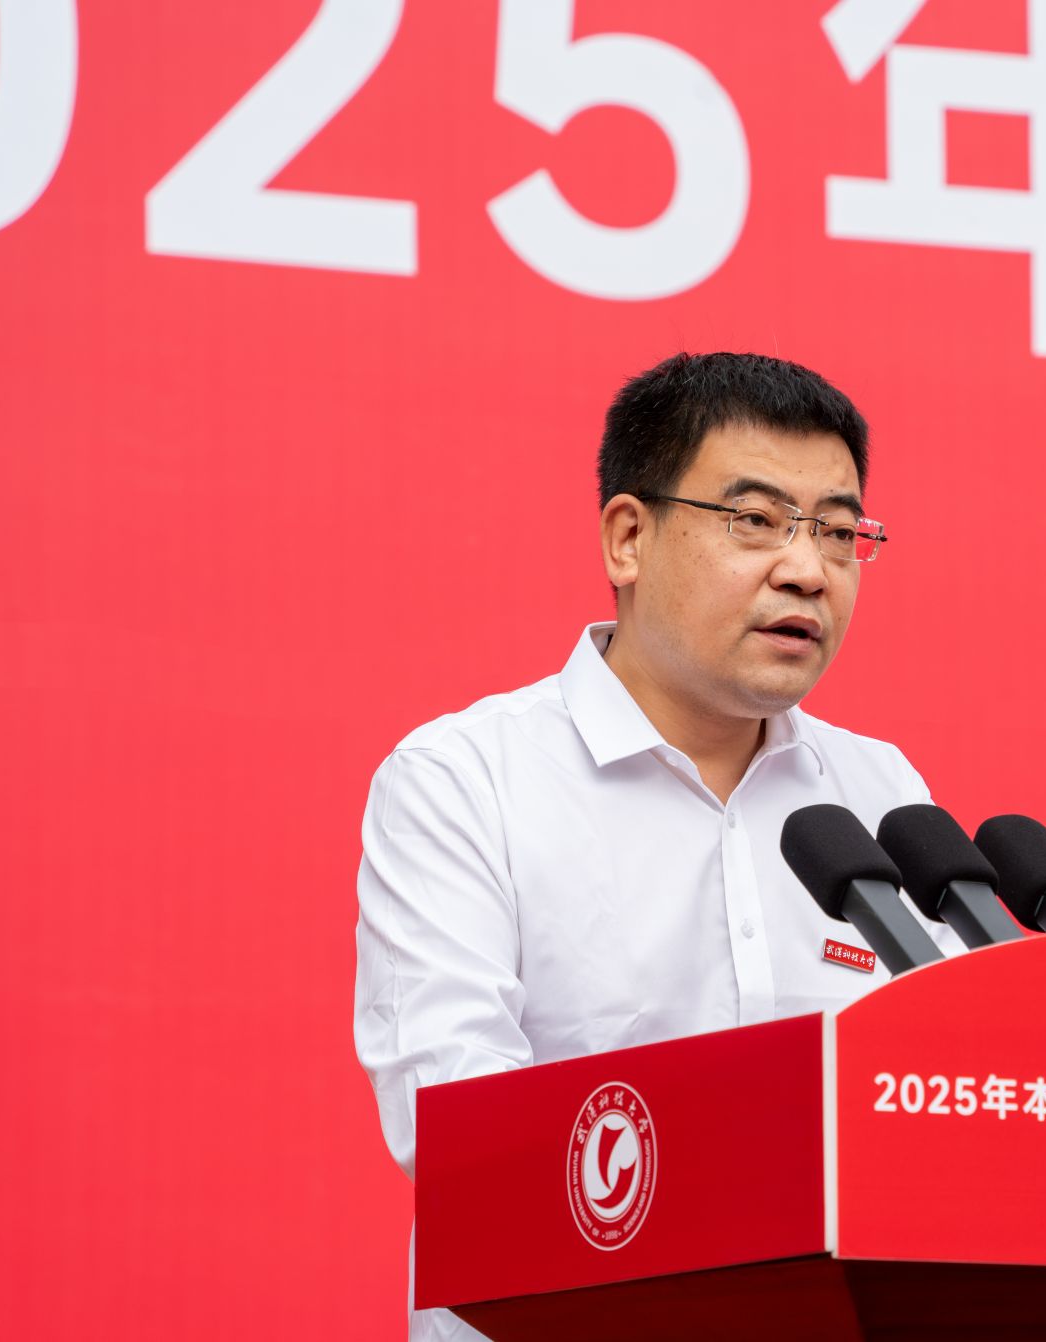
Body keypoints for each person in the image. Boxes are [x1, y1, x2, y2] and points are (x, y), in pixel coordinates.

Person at [352, 352, 960, 1341]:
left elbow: (939, 1093)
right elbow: (457, 1125)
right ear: (629, 537)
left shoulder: (880, 794)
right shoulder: (466, 780)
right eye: (754, 520)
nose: (807, 570)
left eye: (839, 532)